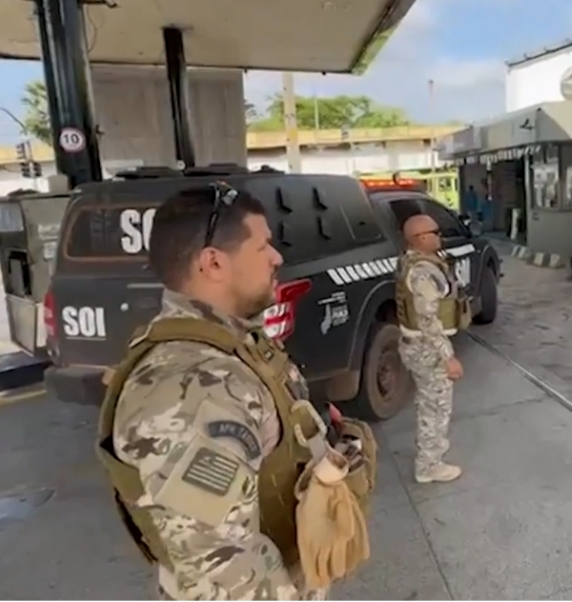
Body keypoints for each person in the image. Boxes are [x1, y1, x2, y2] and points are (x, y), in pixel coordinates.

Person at [96, 184, 374, 600]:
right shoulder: (191, 388)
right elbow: (223, 573)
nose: (277, 257)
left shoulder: (228, 347)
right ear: (213, 262)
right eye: (263, 246)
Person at [396, 213, 468, 483]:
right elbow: (427, 318)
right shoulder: (423, 271)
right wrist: (447, 356)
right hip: (427, 347)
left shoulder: (410, 262)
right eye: (435, 232)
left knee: (428, 402)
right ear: (421, 238)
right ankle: (429, 465)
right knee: (436, 406)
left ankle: (430, 452)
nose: (440, 236)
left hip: (415, 345)